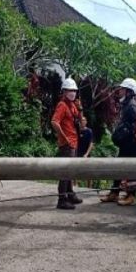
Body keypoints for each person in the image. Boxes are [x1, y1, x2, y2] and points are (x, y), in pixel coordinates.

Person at [100, 77, 136, 206]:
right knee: (119, 167)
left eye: (122, 89)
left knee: (130, 169)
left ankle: (131, 196)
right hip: (126, 144)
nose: (119, 91)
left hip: (131, 144)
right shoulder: (126, 104)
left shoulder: (131, 105)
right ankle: (114, 193)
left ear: (129, 91)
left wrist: (132, 132)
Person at [51, 77, 83, 210]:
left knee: (71, 171)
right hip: (67, 144)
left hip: (74, 142)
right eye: (69, 90)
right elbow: (54, 122)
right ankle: (62, 199)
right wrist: (64, 138)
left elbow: (79, 121)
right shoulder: (62, 105)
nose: (72, 93)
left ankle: (70, 194)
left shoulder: (73, 105)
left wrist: (80, 109)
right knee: (65, 171)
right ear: (64, 92)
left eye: (74, 91)